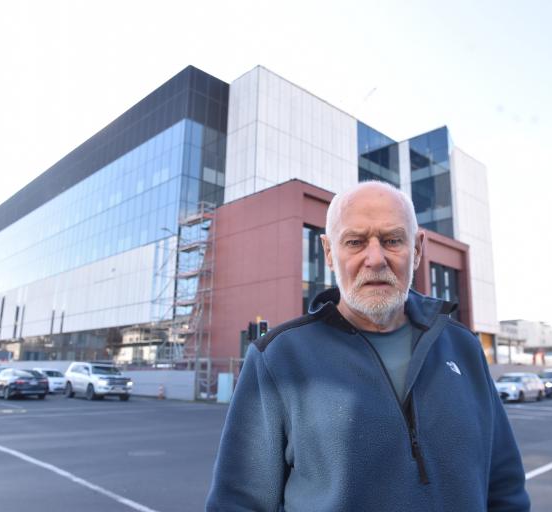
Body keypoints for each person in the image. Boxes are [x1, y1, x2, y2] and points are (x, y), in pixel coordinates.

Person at [206, 181, 530, 511]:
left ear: (417, 250)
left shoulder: (464, 347)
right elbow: (237, 503)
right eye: (355, 242)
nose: (375, 259)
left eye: (392, 240)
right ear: (329, 252)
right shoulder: (277, 359)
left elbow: (504, 485)